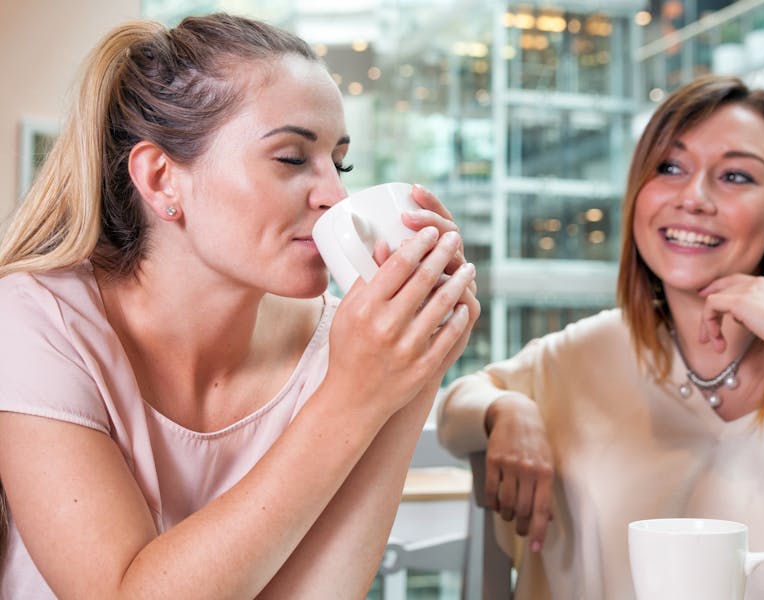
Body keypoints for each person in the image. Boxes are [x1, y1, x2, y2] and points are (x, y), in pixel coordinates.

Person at [0, 13, 479, 599]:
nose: (335, 196)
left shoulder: (349, 347)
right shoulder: (35, 321)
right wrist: (357, 395)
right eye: (291, 159)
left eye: (340, 162)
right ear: (161, 178)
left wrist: (415, 371)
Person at [437, 75, 764, 599]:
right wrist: (507, 410)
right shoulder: (596, 347)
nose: (694, 197)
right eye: (670, 167)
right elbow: (458, 406)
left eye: (734, 176)